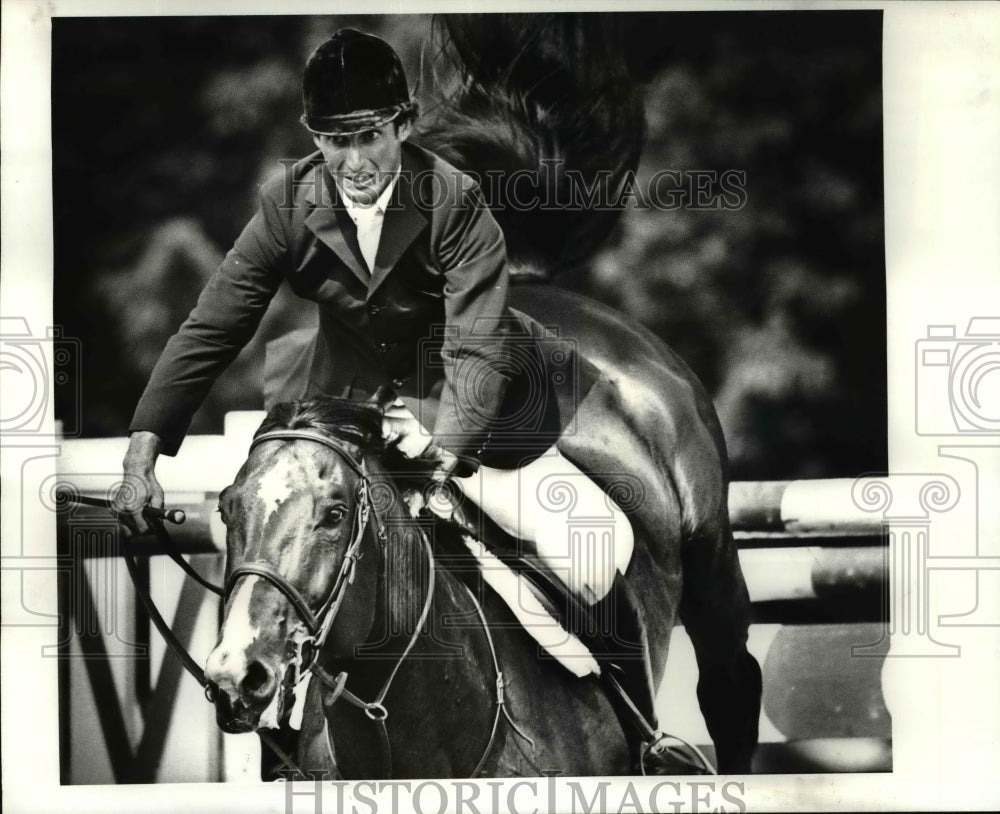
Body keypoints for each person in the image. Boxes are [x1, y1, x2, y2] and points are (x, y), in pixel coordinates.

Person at [113, 27, 678, 774]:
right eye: (333, 141)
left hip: (474, 403)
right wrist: (144, 451)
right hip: (344, 409)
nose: (352, 163)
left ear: (404, 124)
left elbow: (476, 348)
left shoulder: (455, 202)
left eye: (369, 137)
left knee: (589, 546)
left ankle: (645, 741)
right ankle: (288, 747)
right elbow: (213, 325)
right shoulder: (290, 203)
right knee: (279, 539)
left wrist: (445, 444)